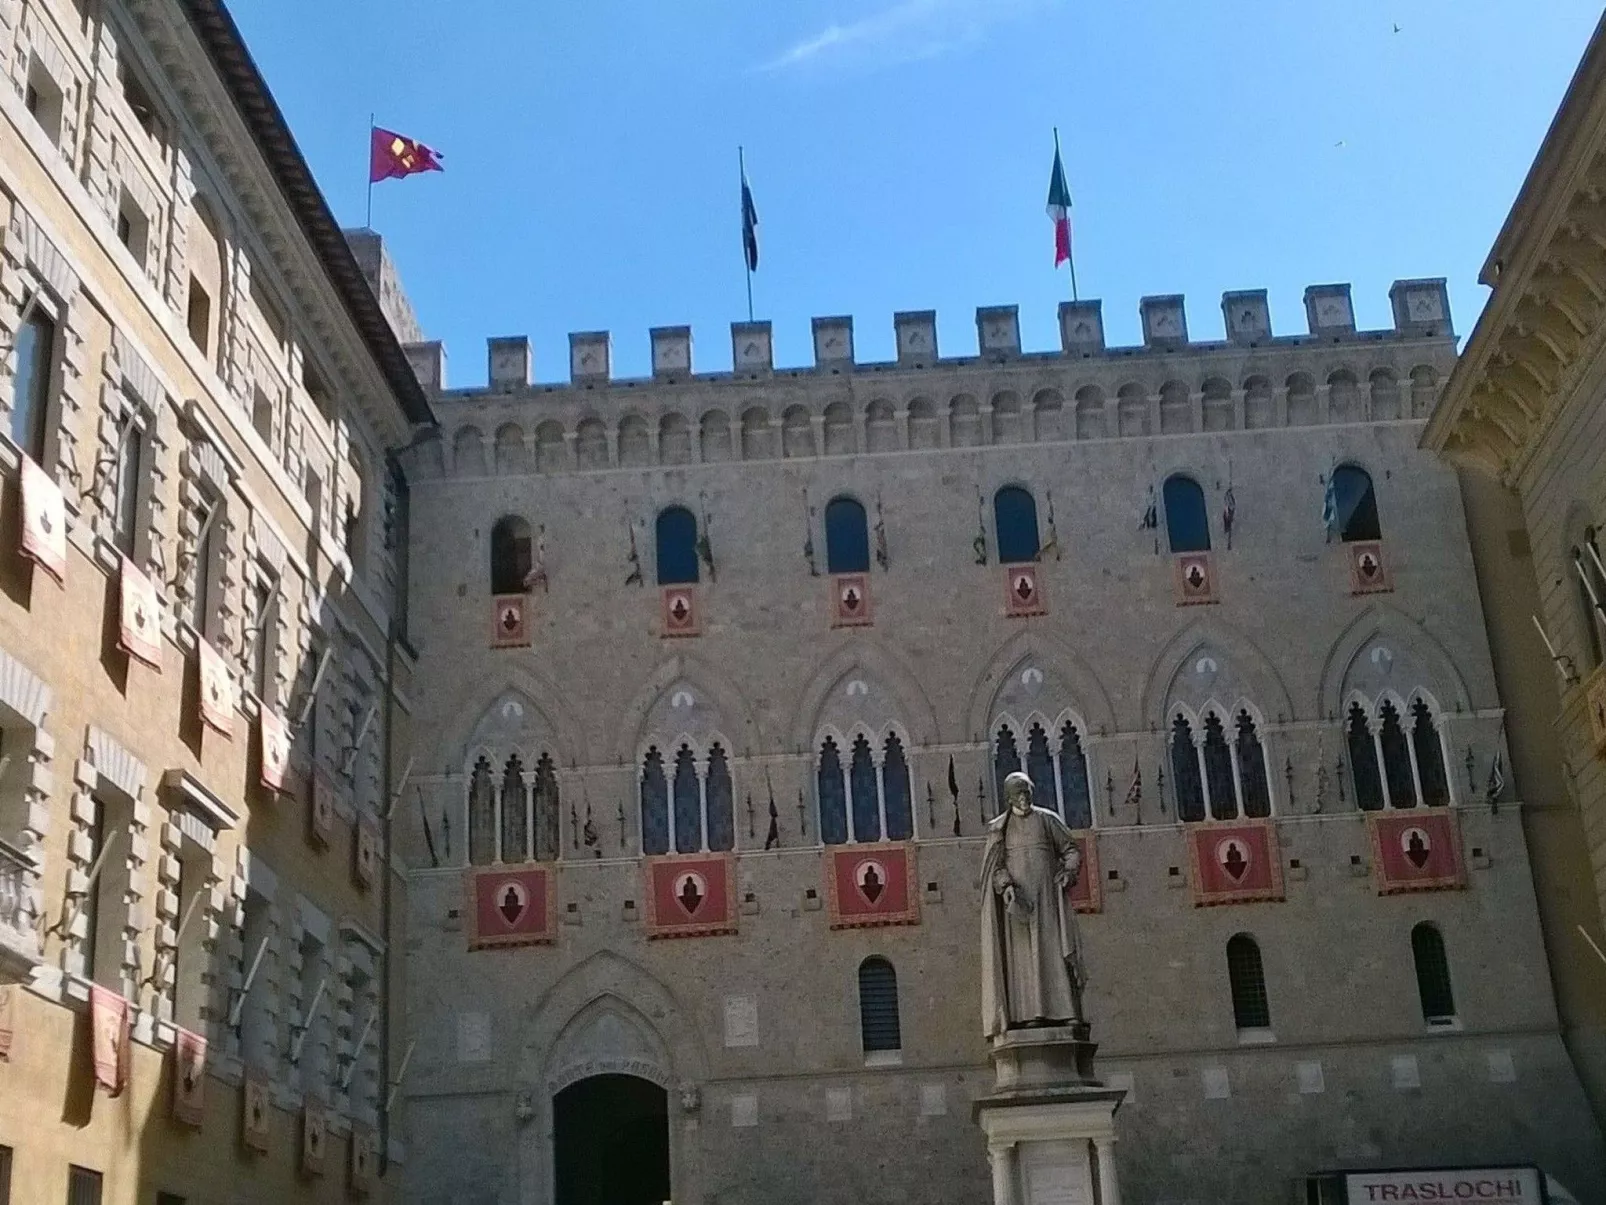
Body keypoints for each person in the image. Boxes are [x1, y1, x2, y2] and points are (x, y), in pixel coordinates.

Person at [981, 771, 1085, 1038]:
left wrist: (1069, 871)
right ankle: (1028, 1015)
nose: (1024, 797)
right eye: (1018, 793)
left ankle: (1066, 1013)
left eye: (1027, 792)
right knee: (1023, 961)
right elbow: (996, 866)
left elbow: (1071, 849)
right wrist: (1006, 886)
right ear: (1008, 797)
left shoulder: (1047, 820)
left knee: (1053, 952)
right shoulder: (999, 828)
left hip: (1048, 899)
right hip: (1019, 908)